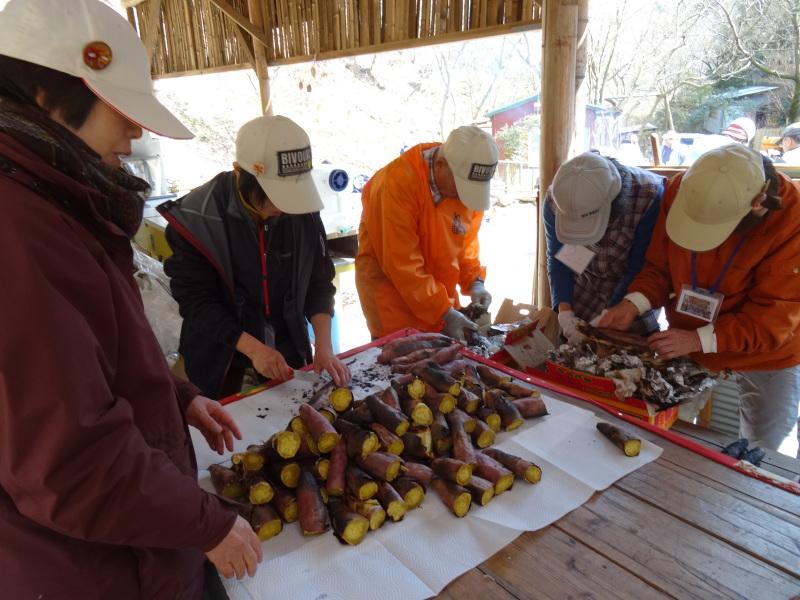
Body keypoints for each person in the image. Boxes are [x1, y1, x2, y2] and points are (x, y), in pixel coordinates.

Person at [0, 0, 262, 597]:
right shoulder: (16, 228)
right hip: (96, 569)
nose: (136, 129)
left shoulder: (50, 197)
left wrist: (174, 398)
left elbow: (87, 360)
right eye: (119, 108)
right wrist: (205, 524)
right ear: (47, 96)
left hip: (133, 542)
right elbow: (67, 460)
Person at [598, 144, 800, 458]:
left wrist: (696, 338)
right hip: (688, 339)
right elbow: (659, 266)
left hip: (768, 352)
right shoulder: (685, 188)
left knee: (764, 447)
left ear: (757, 207)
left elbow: (772, 317)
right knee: (668, 433)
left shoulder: (792, 219)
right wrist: (631, 305)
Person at [160, 115, 351, 400]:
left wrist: (323, 345)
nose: (284, 206)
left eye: (292, 194)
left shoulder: (301, 209)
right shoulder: (196, 219)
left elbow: (319, 281)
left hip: (288, 351)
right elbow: (197, 302)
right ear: (239, 172)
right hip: (220, 358)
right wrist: (253, 349)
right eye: (274, 193)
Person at [355, 126, 498, 340]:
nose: (464, 197)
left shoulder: (467, 183)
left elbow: (466, 246)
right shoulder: (396, 185)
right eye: (461, 187)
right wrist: (445, 312)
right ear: (440, 165)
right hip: (394, 308)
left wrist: (474, 281)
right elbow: (402, 265)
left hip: (441, 304)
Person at [543, 152, 665, 344]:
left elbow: (641, 268)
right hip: (585, 288)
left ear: (615, 205)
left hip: (631, 293)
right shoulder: (557, 199)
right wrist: (565, 313)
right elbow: (559, 259)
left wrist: (613, 312)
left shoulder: (648, 197)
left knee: (629, 359)